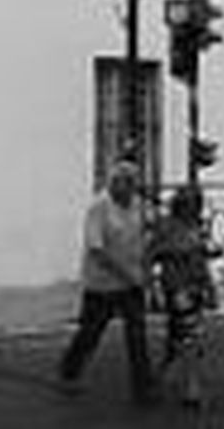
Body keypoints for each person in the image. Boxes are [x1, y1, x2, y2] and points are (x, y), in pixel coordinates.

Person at [58, 159, 158, 407]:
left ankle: (143, 389)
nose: (131, 189)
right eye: (126, 183)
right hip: (101, 285)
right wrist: (127, 274)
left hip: (131, 285)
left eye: (134, 184)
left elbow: (151, 230)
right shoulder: (99, 207)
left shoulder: (138, 205)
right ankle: (69, 370)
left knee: (137, 336)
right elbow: (97, 251)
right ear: (115, 183)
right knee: (90, 332)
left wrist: (147, 264)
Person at [151, 185, 219, 408]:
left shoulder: (197, 227)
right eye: (190, 204)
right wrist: (153, 288)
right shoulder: (166, 227)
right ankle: (192, 388)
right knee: (190, 337)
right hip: (177, 287)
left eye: (196, 204)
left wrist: (211, 288)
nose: (194, 209)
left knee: (178, 338)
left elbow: (203, 258)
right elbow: (152, 255)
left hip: (195, 285)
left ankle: (159, 376)